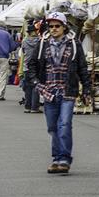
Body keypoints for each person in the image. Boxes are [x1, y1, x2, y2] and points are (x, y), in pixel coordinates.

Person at [30, 12, 92, 174]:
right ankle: (56, 158)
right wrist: (37, 84)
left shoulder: (74, 44)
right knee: (52, 127)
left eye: (57, 26)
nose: (54, 29)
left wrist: (86, 89)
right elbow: (31, 66)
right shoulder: (43, 43)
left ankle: (64, 158)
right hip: (48, 90)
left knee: (64, 124)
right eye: (51, 26)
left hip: (67, 91)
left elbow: (82, 68)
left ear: (64, 27)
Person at [21, 21, 43, 114]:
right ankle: (34, 107)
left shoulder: (24, 41)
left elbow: (23, 51)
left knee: (28, 88)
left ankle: (27, 106)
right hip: (36, 67)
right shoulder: (39, 41)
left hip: (26, 66)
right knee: (35, 87)